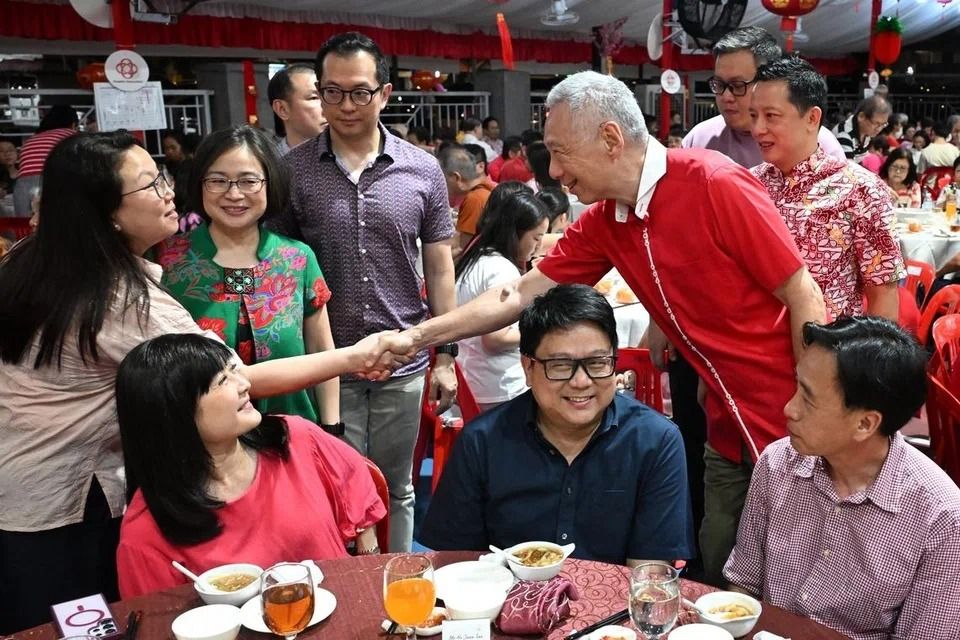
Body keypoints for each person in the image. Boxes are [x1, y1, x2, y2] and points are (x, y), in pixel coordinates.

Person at [389, 70, 826, 586]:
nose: (553, 172)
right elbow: (517, 293)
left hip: (790, 411)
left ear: (611, 139)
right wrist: (420, 336)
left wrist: (813, 399)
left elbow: (803, 293)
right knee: (724, 565)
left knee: (801, 571)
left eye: (559, 151)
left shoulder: (713, 181)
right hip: (724, 420)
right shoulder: (605, 222)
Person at [0, 131, 406, 633]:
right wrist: (354, 356)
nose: (168, 192)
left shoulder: (37, 260)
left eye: (164, 177)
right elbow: (231, 377)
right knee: (82, 621)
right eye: (150, 184)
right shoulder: (123, 296)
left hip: (29, 482)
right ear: (108, 212)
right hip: (72, 496)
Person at [269, 32, 457, 553]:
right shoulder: (292, 172)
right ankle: (348, 597)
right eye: (332, 93)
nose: (346, 105)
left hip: (404, 358)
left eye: (359, 92)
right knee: (333, 488)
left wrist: (447, 356)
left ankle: (399, 590)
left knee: (398, 489)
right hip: (327, 366)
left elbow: (440, 268)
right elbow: (283, 272)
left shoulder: (422, 169)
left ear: (385, 93)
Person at [420, 284, 695, 564]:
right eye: (560, 365)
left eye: (597, 363)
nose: (581, 381)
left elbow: (649, 576)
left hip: (617, 604)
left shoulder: (656, 442)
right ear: (528, 368)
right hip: (502, 601)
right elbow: (456, 563)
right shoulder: (482, 441)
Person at [723, 316, 960, 640]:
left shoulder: (941, 518)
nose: (789, 409)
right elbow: (743, 585)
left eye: (808, 399)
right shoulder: (777, 465)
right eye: (797, 387)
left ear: (865, 424)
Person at [115, 334, 386, 597]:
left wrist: (367, 570)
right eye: (223, 380)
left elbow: (357, 485)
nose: (244, 384)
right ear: (175, 413)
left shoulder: (293, 439)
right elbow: (154, 623)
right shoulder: (146, 533)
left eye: (234, 370)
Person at [158, 125, 339, 425]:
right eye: (218, 180)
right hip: (201, 440)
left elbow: (322, 351)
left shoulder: (296, 259)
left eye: (248, 181)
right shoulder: (168, 261)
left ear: (270, 184)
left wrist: (332, 428)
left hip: (293, 433)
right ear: (200, 183)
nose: (234, 194)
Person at [749, 57, 904, 321]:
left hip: (829, 351)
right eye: (753, 116)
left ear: (812, 118)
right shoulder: (748, 185)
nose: (757, 129)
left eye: (771, 116)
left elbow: (883, 295)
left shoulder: (862, 191)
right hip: (750, 349)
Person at [683, 27, 845, 166]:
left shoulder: (817, 144)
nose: (726, 97)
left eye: (738, 85)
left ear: (767, 81)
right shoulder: (700, 139)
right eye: (719, 84)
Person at [454, 189, 548, 411]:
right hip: (497, 385)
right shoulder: (501, 270)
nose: (538, 246)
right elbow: (496, 338)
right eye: (536, 238)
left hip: (476, 378)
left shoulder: (480, 256)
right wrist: (544, 329)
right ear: (515, 233)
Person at [12, 104, 78, 216]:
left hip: (22, 185)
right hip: (53, 181)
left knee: (25, 227)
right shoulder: (71, 135)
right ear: (73, 124)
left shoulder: (32, 139)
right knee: (57, 225)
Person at [439, 143, 495, 255]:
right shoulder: (486, 191)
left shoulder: (475, 199)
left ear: (456, 177)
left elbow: (463, 250)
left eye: (442, 177)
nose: (440, 182)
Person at [268, 62, 327, 156]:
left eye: (328, 95)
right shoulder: (269, 165)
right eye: (314, 98)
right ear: (282, 109)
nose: (328, 107)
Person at [833, 95, 892, 163]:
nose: (879, 129)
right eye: (876, 123)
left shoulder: (866, 131)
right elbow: (848, 169)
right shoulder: (844, 135)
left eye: (883, 124)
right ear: (861, 116)